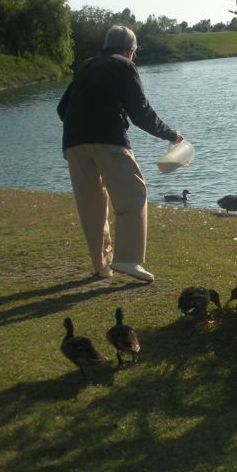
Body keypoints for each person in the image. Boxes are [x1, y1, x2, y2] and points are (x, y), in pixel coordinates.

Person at [57, 25, 182, 282]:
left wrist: (82, 125)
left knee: (91, 205)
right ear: (129, 50)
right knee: (134, 195)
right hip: (108, 139)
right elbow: (141, 113)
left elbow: (62, 108)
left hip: (73, 142)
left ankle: (102, 265)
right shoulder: (124, 66)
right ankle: (128, 260)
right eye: (134, 53)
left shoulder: (87, 65)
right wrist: (172, 135)